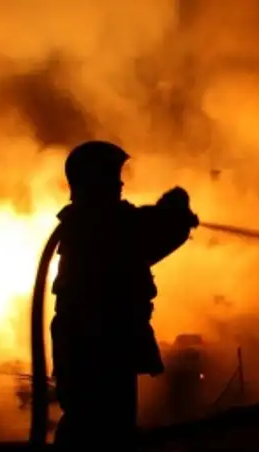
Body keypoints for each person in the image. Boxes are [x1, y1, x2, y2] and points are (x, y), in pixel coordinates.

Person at [50, 140, 199, 446]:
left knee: (92, 426)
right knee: (102, 432)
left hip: (91, 352)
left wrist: (173, 216)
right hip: (100, 353)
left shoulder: (86, 224)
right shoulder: (101, 225)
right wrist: (176, 209)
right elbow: (150, 232)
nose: (120, 183)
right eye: (113, 175)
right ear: (95, 180)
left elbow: (144, 233)